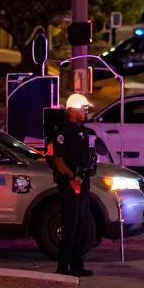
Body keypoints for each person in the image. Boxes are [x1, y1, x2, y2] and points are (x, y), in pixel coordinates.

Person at [48, 93, 97, 277]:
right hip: (70, 184)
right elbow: (58, 161)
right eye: (82, 109)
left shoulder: (83, 132)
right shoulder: (62, 133)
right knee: (71, 225)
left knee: (83, 225)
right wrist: (71, 176)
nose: (85, 112)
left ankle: (77, 265)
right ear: (72, 110)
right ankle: (63, 266)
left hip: (83, 182)